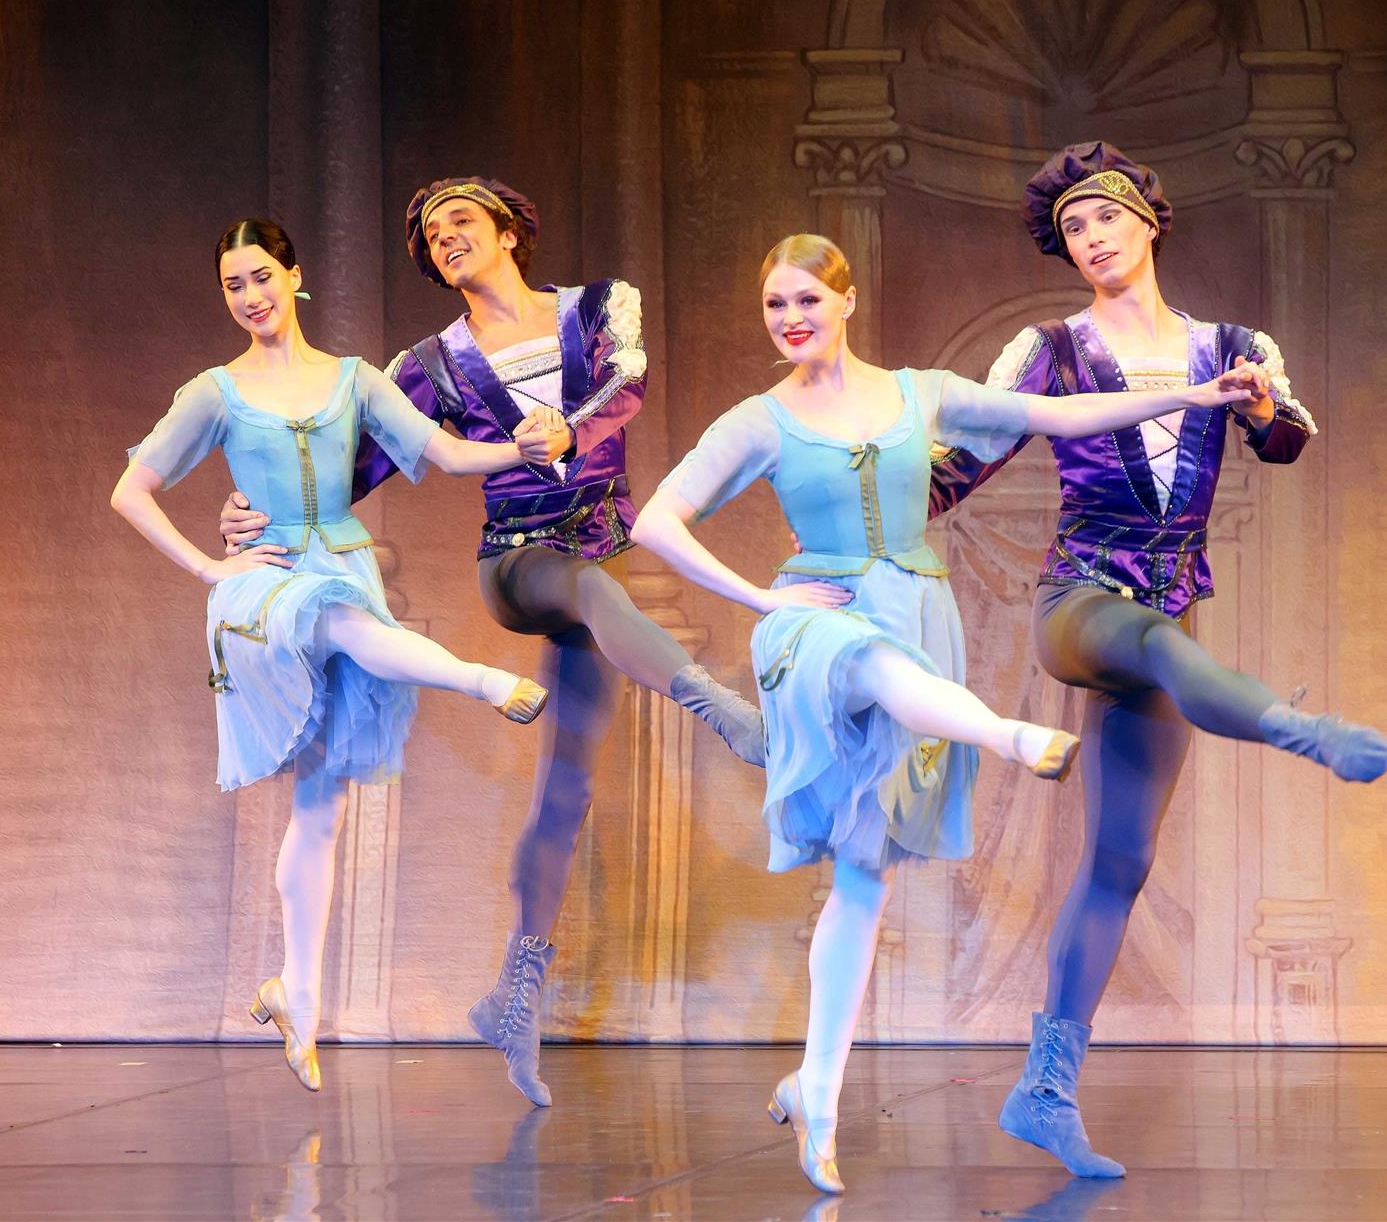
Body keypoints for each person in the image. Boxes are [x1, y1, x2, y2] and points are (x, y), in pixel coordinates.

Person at [629, 233, 1253, 1193]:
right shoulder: (757, 420)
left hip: (918, 617)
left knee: (862, 873)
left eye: (806, 300)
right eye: (775, 305)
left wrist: (1194, 397)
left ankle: (815, 1086)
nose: (790, 319)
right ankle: (1006, 734)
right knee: (864, 661)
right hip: (815, 619)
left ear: (846, 301)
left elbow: (1060, 412)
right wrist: (760, 598)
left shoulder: (922, 393)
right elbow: (653, 521)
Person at [220, 179, 765, 1107]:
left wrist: (571, 425)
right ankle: (723, 710)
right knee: (588, 588)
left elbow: (627, 385)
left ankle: (513, 995)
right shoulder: (430, 365)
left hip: (592, 555)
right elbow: (351, 465)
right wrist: (256, 510)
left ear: (509, 231)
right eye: (432, 237)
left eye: (461, 224)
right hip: (516, 563)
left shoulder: (595, 310)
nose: (446, 240)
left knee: (567, 789)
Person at [926, 142, 1387, 1177]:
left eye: (1106, 217)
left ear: (1147, 222)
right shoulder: (1050, 349)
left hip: (1167, 614)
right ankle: (1294, 726)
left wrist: (1257, 403)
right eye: (1074, 229)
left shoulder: (1231, 346)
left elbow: (1285, 440)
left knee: (1121, 860)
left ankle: (1044, 1089)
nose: (1092, 238)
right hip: (1079, 603)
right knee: (1150, 643)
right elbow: (959, 465)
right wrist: (856, 507)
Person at [113, 218, 549, 1092]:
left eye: (261, 277)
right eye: (234, 284)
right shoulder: (215, 391)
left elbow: (444, 451)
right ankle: (478, 678)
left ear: (294, 275)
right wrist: (209, 565)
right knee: (334, 618)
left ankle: (298, 1000)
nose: (251, 296)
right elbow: (131, 489)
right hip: (267, 587)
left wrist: (526, 448)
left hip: (345, 566)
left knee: (321, 807)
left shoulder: (355, 379)